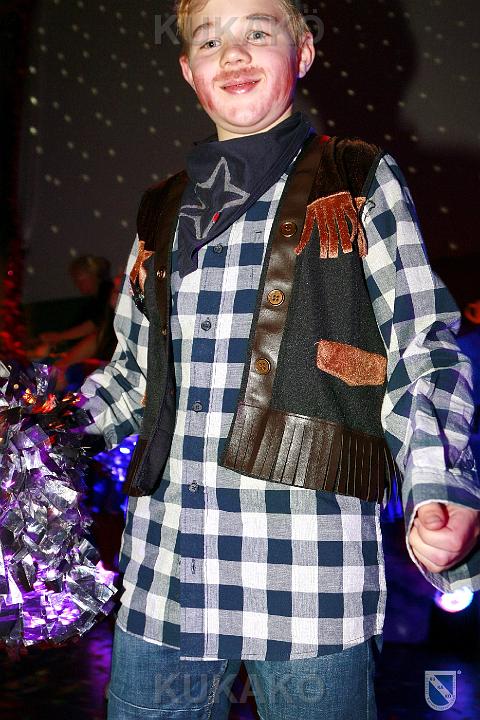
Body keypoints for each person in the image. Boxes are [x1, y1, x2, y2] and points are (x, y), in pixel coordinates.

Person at [81, 1, 480, 718]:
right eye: (210, 40)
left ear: (303, 52)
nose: (233, 52)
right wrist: (39, 437)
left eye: (258, 32)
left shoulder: (358, 177)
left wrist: (437, 479)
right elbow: (135, 377)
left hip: (307, 571)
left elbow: (421, 343)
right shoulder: (159, 209)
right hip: (165, 571)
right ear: (188, 71)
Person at [39, 255, 117, 389]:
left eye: (80, 279)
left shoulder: (106, 292)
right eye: (75, 280)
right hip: (87, 359)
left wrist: (59, 337)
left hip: (99, 361)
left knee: (54, 369)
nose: (77, 284)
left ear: (94, 275)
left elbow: (93, 327)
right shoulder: (93, 301)